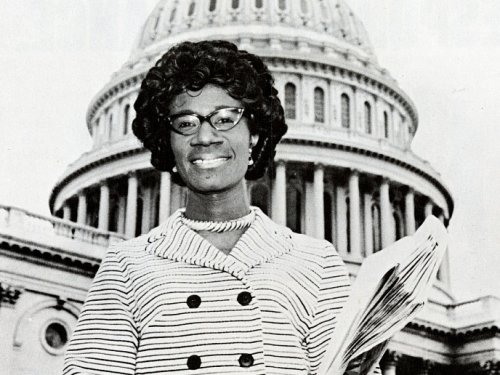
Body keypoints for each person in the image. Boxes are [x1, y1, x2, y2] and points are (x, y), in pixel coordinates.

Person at [63, 40, 376, 375]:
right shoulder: (126, 267)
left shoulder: (317, 265)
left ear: (254, 134)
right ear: (167, 142)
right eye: (185, 123)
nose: (205, 137)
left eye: (226, 118)